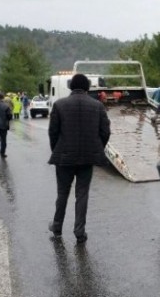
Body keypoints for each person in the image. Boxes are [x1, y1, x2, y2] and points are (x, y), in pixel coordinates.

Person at [48, 74, 111, 243]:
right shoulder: (97, 106)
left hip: (64, 157)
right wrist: (96, 148)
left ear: (71, 87)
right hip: (87, 158)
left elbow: (53, 132)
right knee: (82, 194)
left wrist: (57, 150)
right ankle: (79, 232)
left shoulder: (59, 105)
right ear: (87, 88)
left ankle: (57, 227)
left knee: (62, 193)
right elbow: (105, 132)